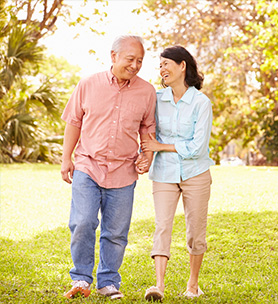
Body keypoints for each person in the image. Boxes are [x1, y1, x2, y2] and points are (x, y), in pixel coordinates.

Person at [61, 35, 156, 300]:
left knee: (116, 232)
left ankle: (108, 282)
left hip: (124, 172)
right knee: (83, 222)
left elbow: (147, 129)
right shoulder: (88, 84)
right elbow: (73, 122)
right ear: (113, 56)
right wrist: (66, 158)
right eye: (130, 59)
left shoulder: (147, 91)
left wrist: (145, 155)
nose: (135, 65)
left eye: (140, 61)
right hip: (87, 165)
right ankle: (80, 279)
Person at [141, 45, 214, 301]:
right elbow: (147, 130)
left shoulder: (201, 103)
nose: (161, 69)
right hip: (163, 172)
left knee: (195, 231)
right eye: (159, 65)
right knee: (162, 226)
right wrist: (147, 154)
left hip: (195, 173)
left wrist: (160, 146)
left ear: (182, 65)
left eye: (166, 64)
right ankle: (158, 286)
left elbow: (197, 147)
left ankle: (193, 285)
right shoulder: (156, 98)